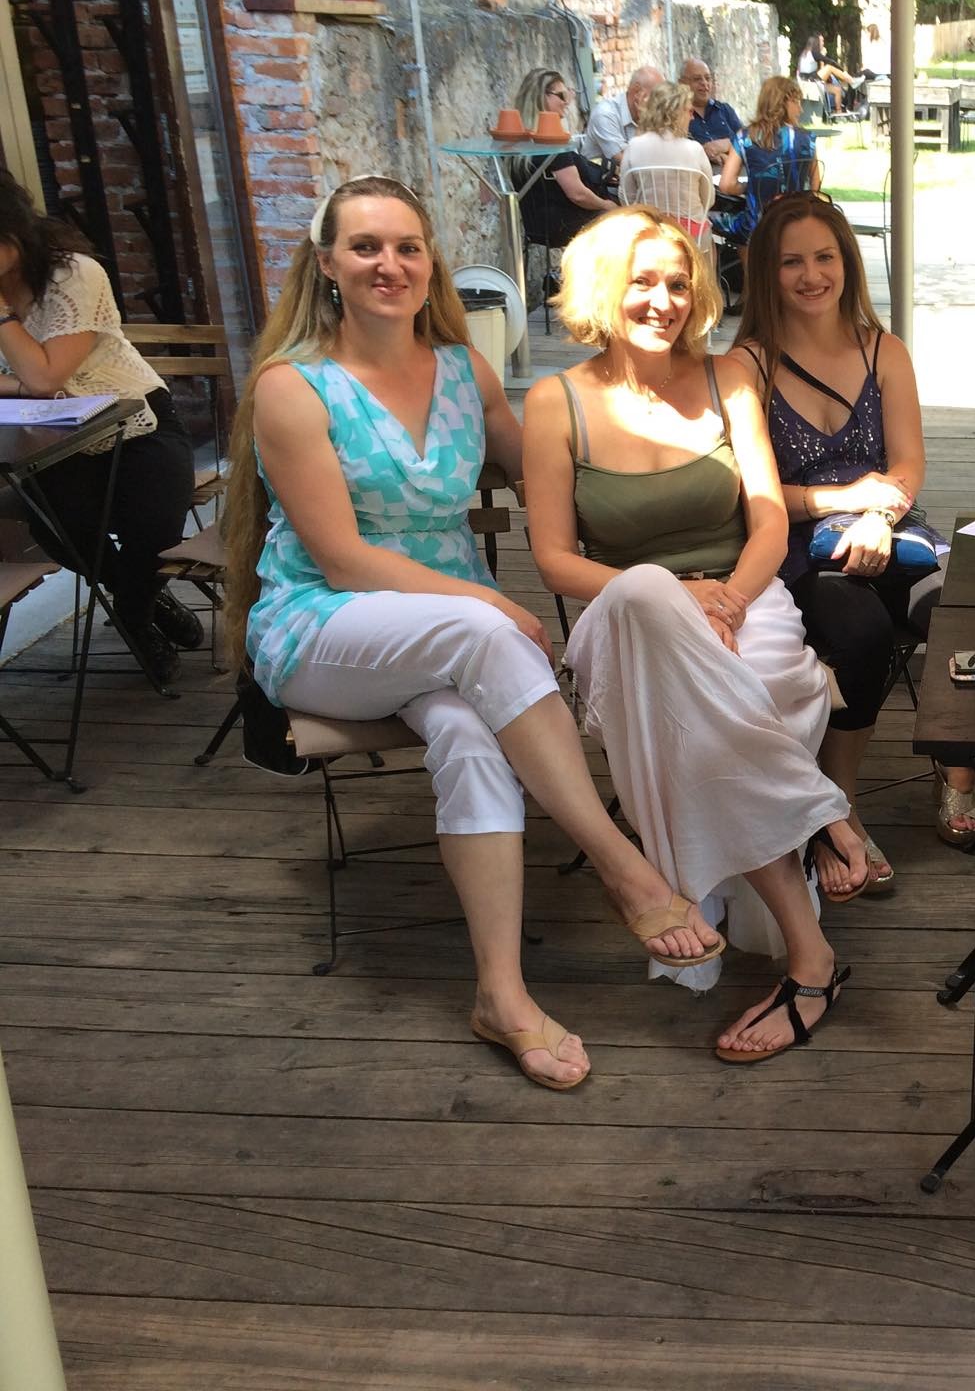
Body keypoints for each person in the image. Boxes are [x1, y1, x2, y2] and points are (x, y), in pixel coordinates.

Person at [225, 175, 722, 1093]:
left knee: (468, 733)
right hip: (323, 627)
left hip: (446, 637)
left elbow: (556, 465)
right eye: (366, 247)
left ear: (430, 265)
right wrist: (489, 604)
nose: (389, 264)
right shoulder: (294, 388)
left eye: (407, 247)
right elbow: (342, 559)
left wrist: (677, 455)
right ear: (327, 263)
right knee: (485, 636)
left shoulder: (463, 371)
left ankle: (501, 995)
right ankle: (626, 869)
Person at [520, 204, 867, 1059]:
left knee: (702, 717)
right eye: (642, 282)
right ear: (603, 290)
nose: (664, 301)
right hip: (626, 615)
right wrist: (678, 600)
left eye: (679, 284)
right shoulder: (555, 402)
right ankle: (816, 817)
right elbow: (556, 561)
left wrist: (731, 601)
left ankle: (810, 948)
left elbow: (770, 522)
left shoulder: (728, 379)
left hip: (745, 601)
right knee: (647, 592)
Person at [728, 193, 937, 889]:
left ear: (847, 262)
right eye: (792, 262)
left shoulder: (884, 350)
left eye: (825, 257)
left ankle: (962, 772)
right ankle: (838, 803)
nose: (812, 275)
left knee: (959, 611)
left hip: (891, 525)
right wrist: (846, 501)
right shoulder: (749, 365)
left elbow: (908, 463)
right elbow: (754, 495)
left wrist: (880, 516)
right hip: (793, 544)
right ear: (767, 272)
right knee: (862, 630)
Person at [0, 170, 197, 681]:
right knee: (57, 531)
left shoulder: (72, 275)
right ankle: (141, 600)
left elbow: (45, 377)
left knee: (155, 530)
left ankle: (133, 614)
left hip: (137, 418)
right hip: (47, 441)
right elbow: (35, 384)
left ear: (13, 228)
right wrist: (22, 385)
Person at [511, 67, 618, 249]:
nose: (566, 102)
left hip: (536, 226)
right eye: (561, 96)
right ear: (542, 97)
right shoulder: (551, 143)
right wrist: (606, 205)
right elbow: (577, 194)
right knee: (625, 218)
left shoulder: (514, 140)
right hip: (564, 224)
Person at [719, 77, 822, 225]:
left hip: (759, 225)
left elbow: (726, 185)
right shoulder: (806, 139)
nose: (801, 109)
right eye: (796, 102)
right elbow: (815, 182)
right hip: (797, 222)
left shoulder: (744, 137)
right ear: (782, 103)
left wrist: (747, 187)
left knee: (720, 221)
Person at [618, 81, 711, 184]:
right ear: (677, 113)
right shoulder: (695, 150)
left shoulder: (633, 147)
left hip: (645, 196)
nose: (692, 117)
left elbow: (625, 192)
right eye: (690, 111)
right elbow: (708, 193)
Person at [585, 66, 665, 166]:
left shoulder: (652, 113)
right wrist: (643, 122)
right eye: (657, 97)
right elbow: (628, 163)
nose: (661, 104)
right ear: (637, 91)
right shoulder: (605, 114)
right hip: (600, 174)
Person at [681, 57, 743, 169]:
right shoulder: (677, 115)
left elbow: (749, 143)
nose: (704, 83)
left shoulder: (724, 110)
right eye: (697, 79)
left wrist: (727, 144)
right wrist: (704, 151)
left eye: (708, 78)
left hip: (735, 175)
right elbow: (676, 151)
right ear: (682, 83)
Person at [797, 34, 854, 116]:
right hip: (809, 81)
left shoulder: (806, 53)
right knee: (829, 68)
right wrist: (843, 71)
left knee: (837, 90)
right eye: (822, 41)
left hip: (812, 80)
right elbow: (830, 62)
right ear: (816, 42)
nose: (823, 43)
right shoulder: (813, 53)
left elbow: (821, 70)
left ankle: (839, 112)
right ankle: (850, 80)